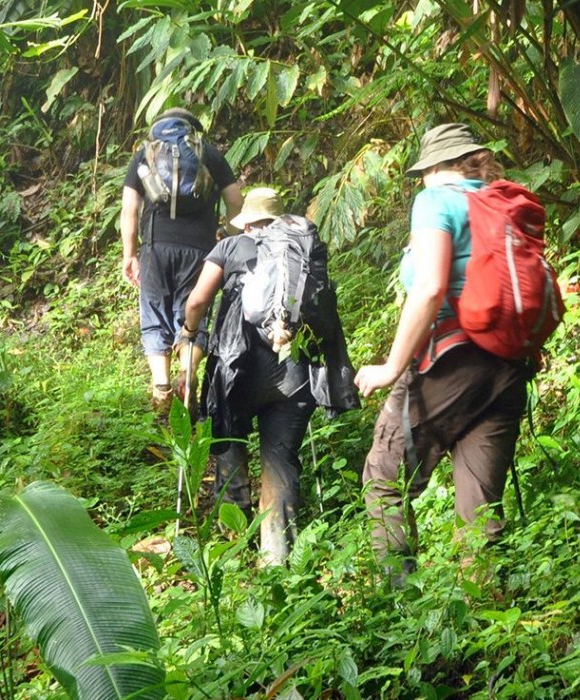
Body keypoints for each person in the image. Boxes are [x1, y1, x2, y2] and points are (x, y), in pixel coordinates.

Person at [355, 123, 532, 583]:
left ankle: (395, 611)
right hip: (508, 367)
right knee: (479, 509)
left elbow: (432, 287)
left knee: (384, 478)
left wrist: (392, 366)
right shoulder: (501, 203)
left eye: (423, 173)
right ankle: (489, 621)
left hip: (452, 360)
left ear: (436, 167)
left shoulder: (436, 201)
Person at [179, 187, 358, 565]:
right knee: (280, 460)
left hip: (238, 373)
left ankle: (234, 550)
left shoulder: (230, 248)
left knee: (230, 448)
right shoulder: (299, 249)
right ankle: (278, 561)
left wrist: (188, 333)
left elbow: (197, 301)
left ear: (245, 221)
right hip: (295, 375)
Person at [118, 107, 242, 411]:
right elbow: (236, 202)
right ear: (193, 128)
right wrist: (225, 233)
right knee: (191, 316)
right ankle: (187, 372)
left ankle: (161, 387)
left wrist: (129, 254)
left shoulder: (144, 154)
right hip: (200, 250)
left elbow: (129, 210)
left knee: (154, 317)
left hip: (156, 248)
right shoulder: (208, 154)